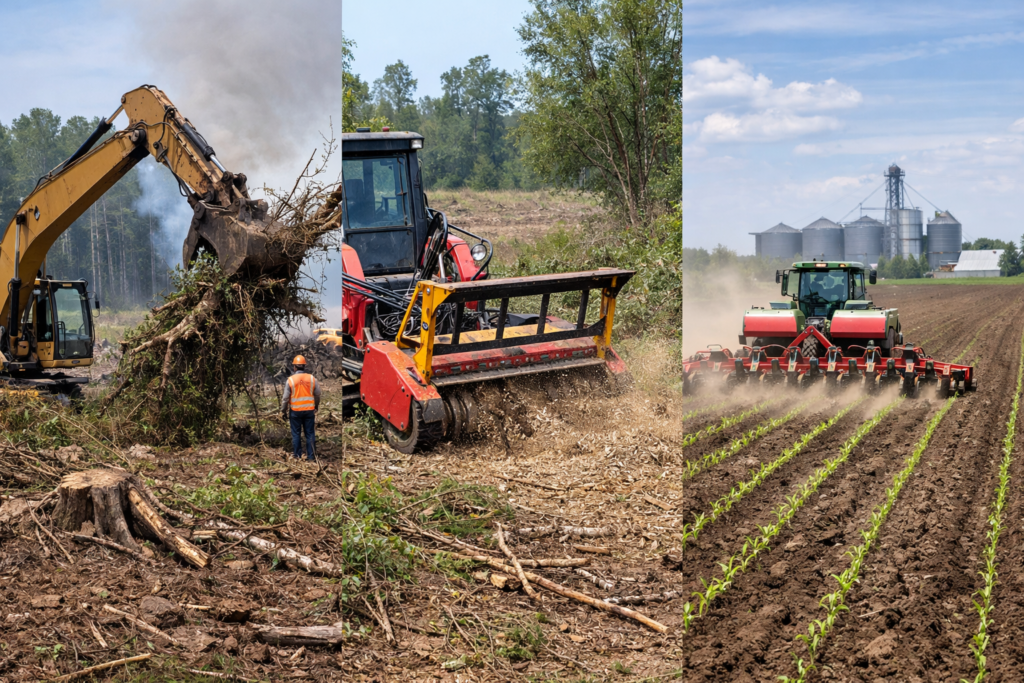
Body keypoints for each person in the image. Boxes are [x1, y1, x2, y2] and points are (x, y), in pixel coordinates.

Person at [281, 355, 321, 461]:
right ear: (304, 366)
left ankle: (297, 456)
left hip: (295, 412)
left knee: (296, 434)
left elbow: (285, 398)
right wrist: (316, 407)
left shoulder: (290, 380)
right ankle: (311, 457)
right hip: (309, 411)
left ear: (294, 367)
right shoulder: (312, 378)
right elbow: (317, 394)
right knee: (310, 434)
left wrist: (283, 411)